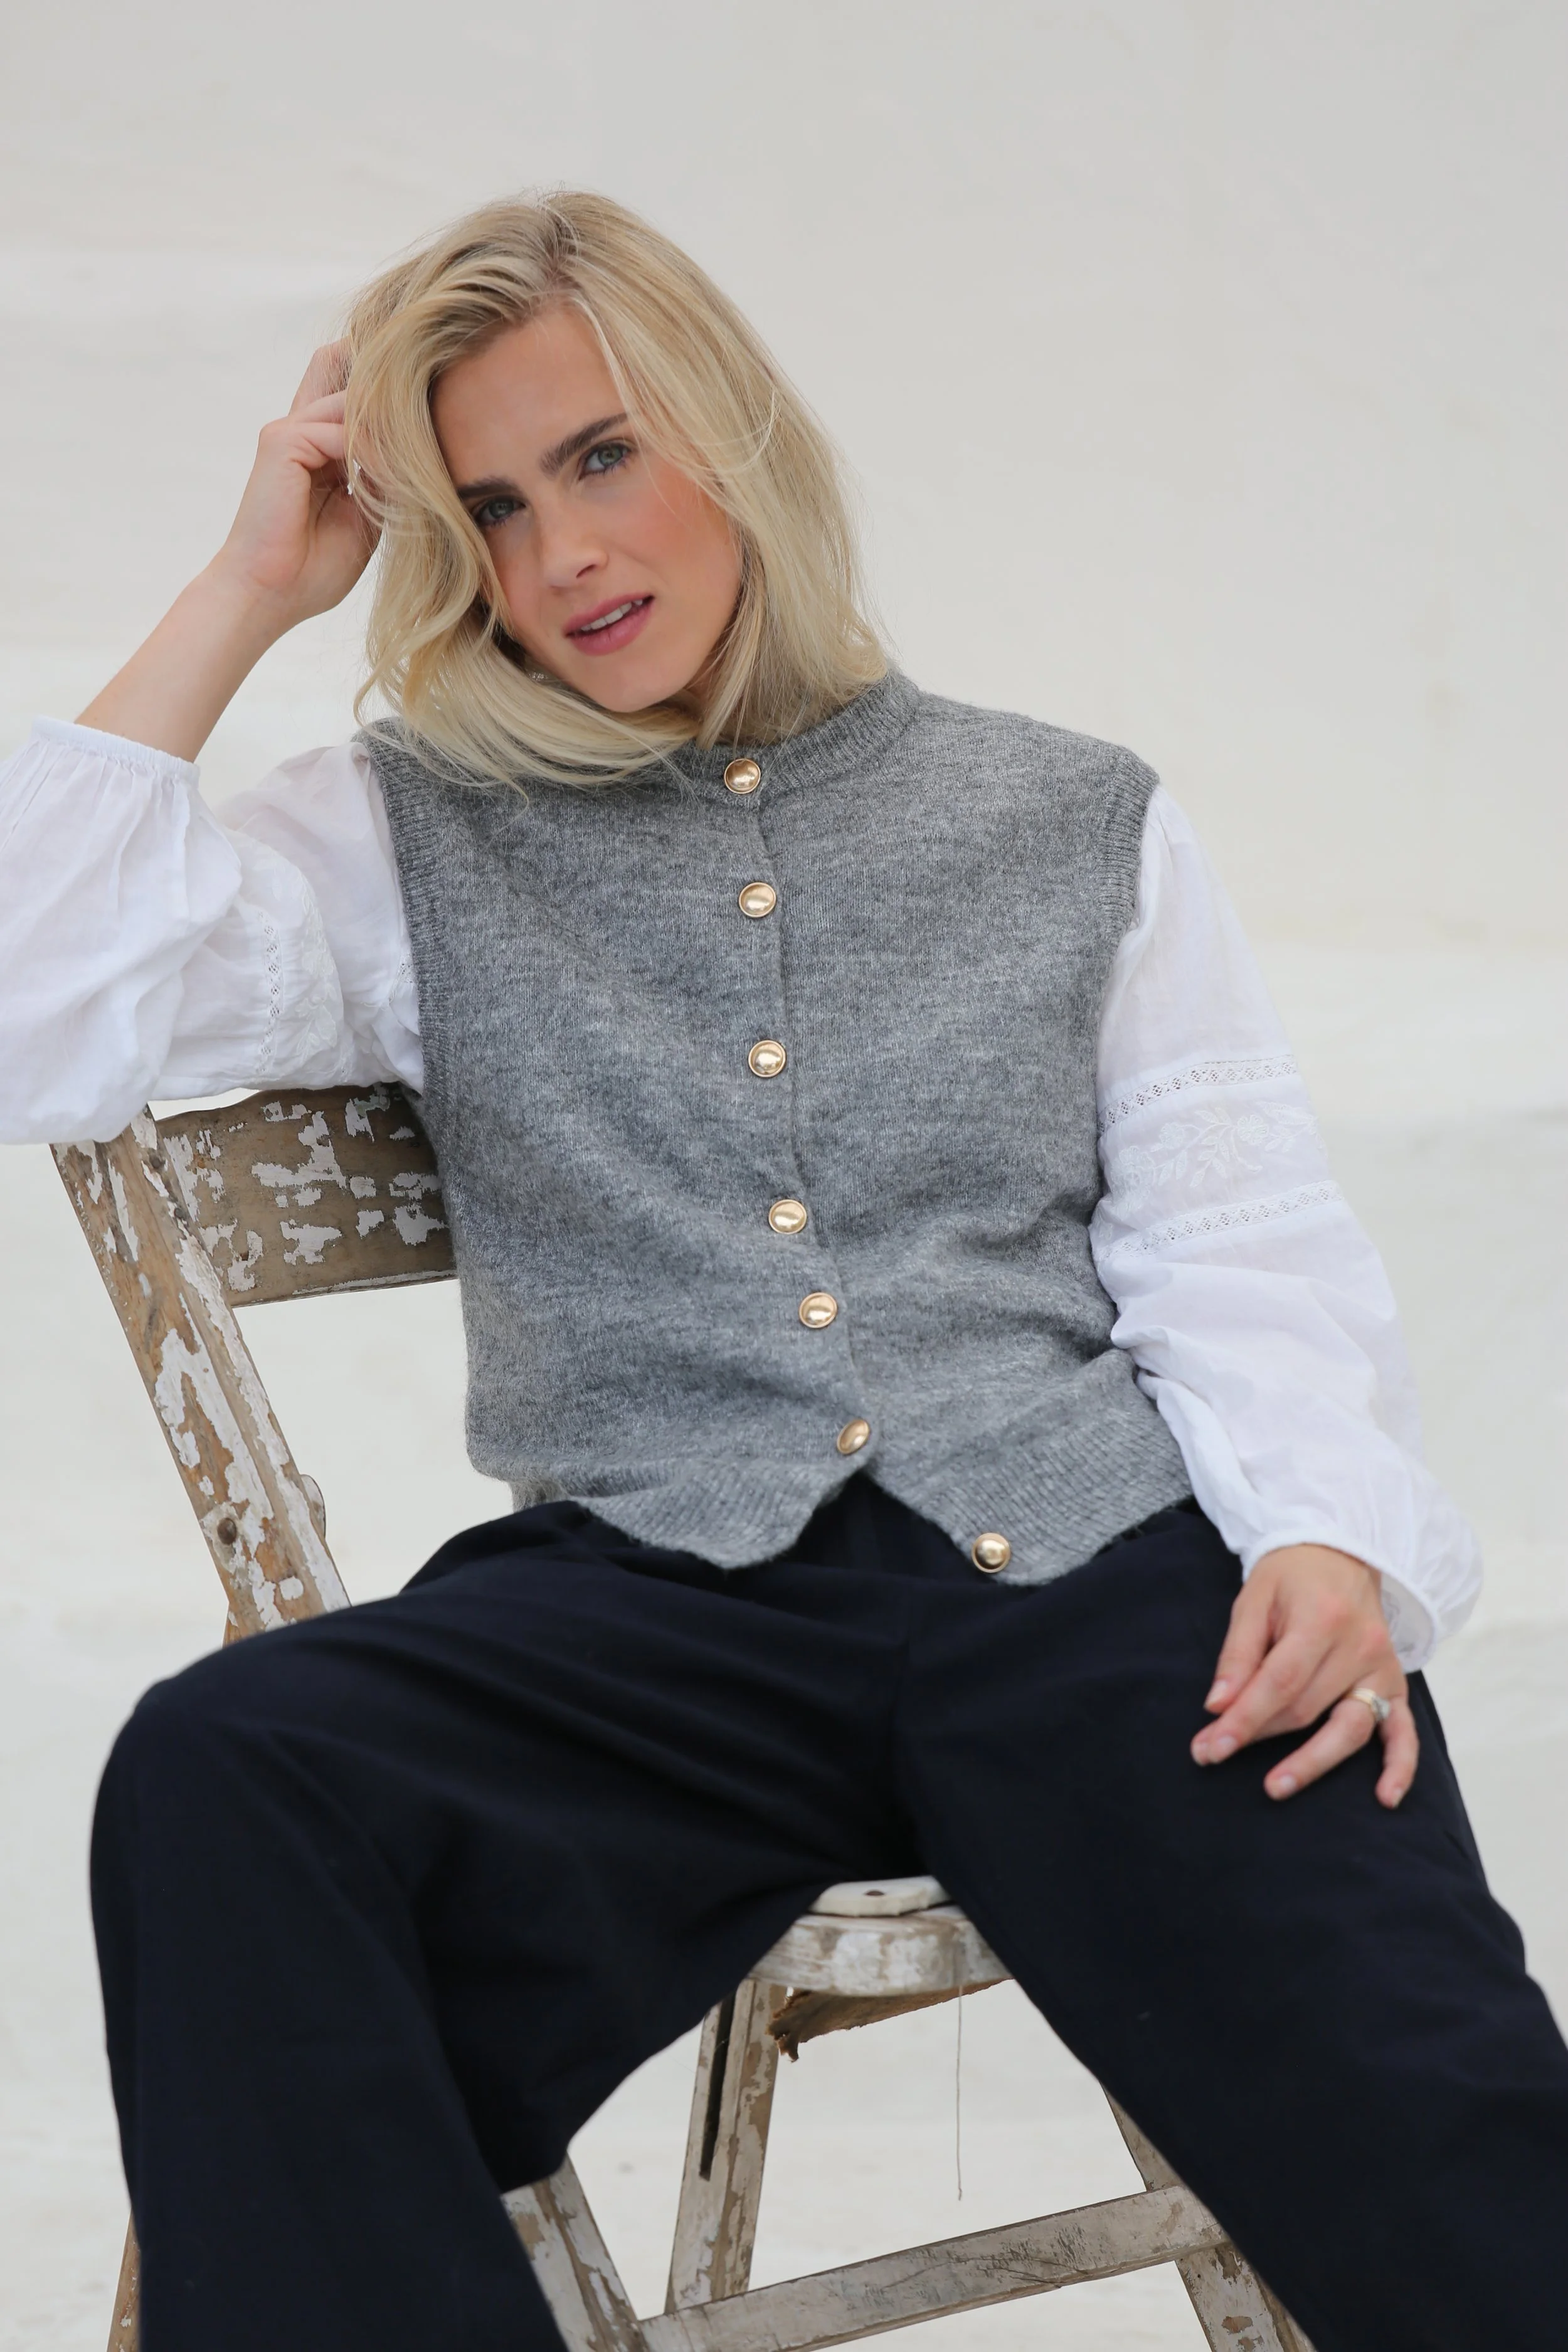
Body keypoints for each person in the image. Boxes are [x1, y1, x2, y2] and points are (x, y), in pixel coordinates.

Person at [0, 191, 1562, 2352]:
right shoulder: (405, 829)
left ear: (731, 432)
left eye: (601, 456)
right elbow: (30, 1003)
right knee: (230, 1767)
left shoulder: (1069, 814)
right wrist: (250, 584)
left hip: (1081, 1579)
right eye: (491, 509)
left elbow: (1228, 1230)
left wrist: (1320, 1527)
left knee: (1424, 2089)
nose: (565, 553)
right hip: (658, 1611)